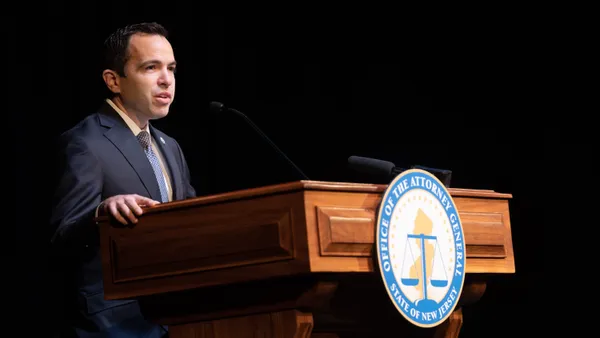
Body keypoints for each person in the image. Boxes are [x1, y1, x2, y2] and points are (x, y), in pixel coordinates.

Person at [49, 22, 196, 337]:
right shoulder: (85, 142)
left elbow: (190, 221)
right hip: (116, 324)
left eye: (170, 68)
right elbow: (63, 237)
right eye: (150, 67)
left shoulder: (170, 146)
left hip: (179, 316)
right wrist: (101, 212)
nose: (165, 80)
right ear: (113, 80)